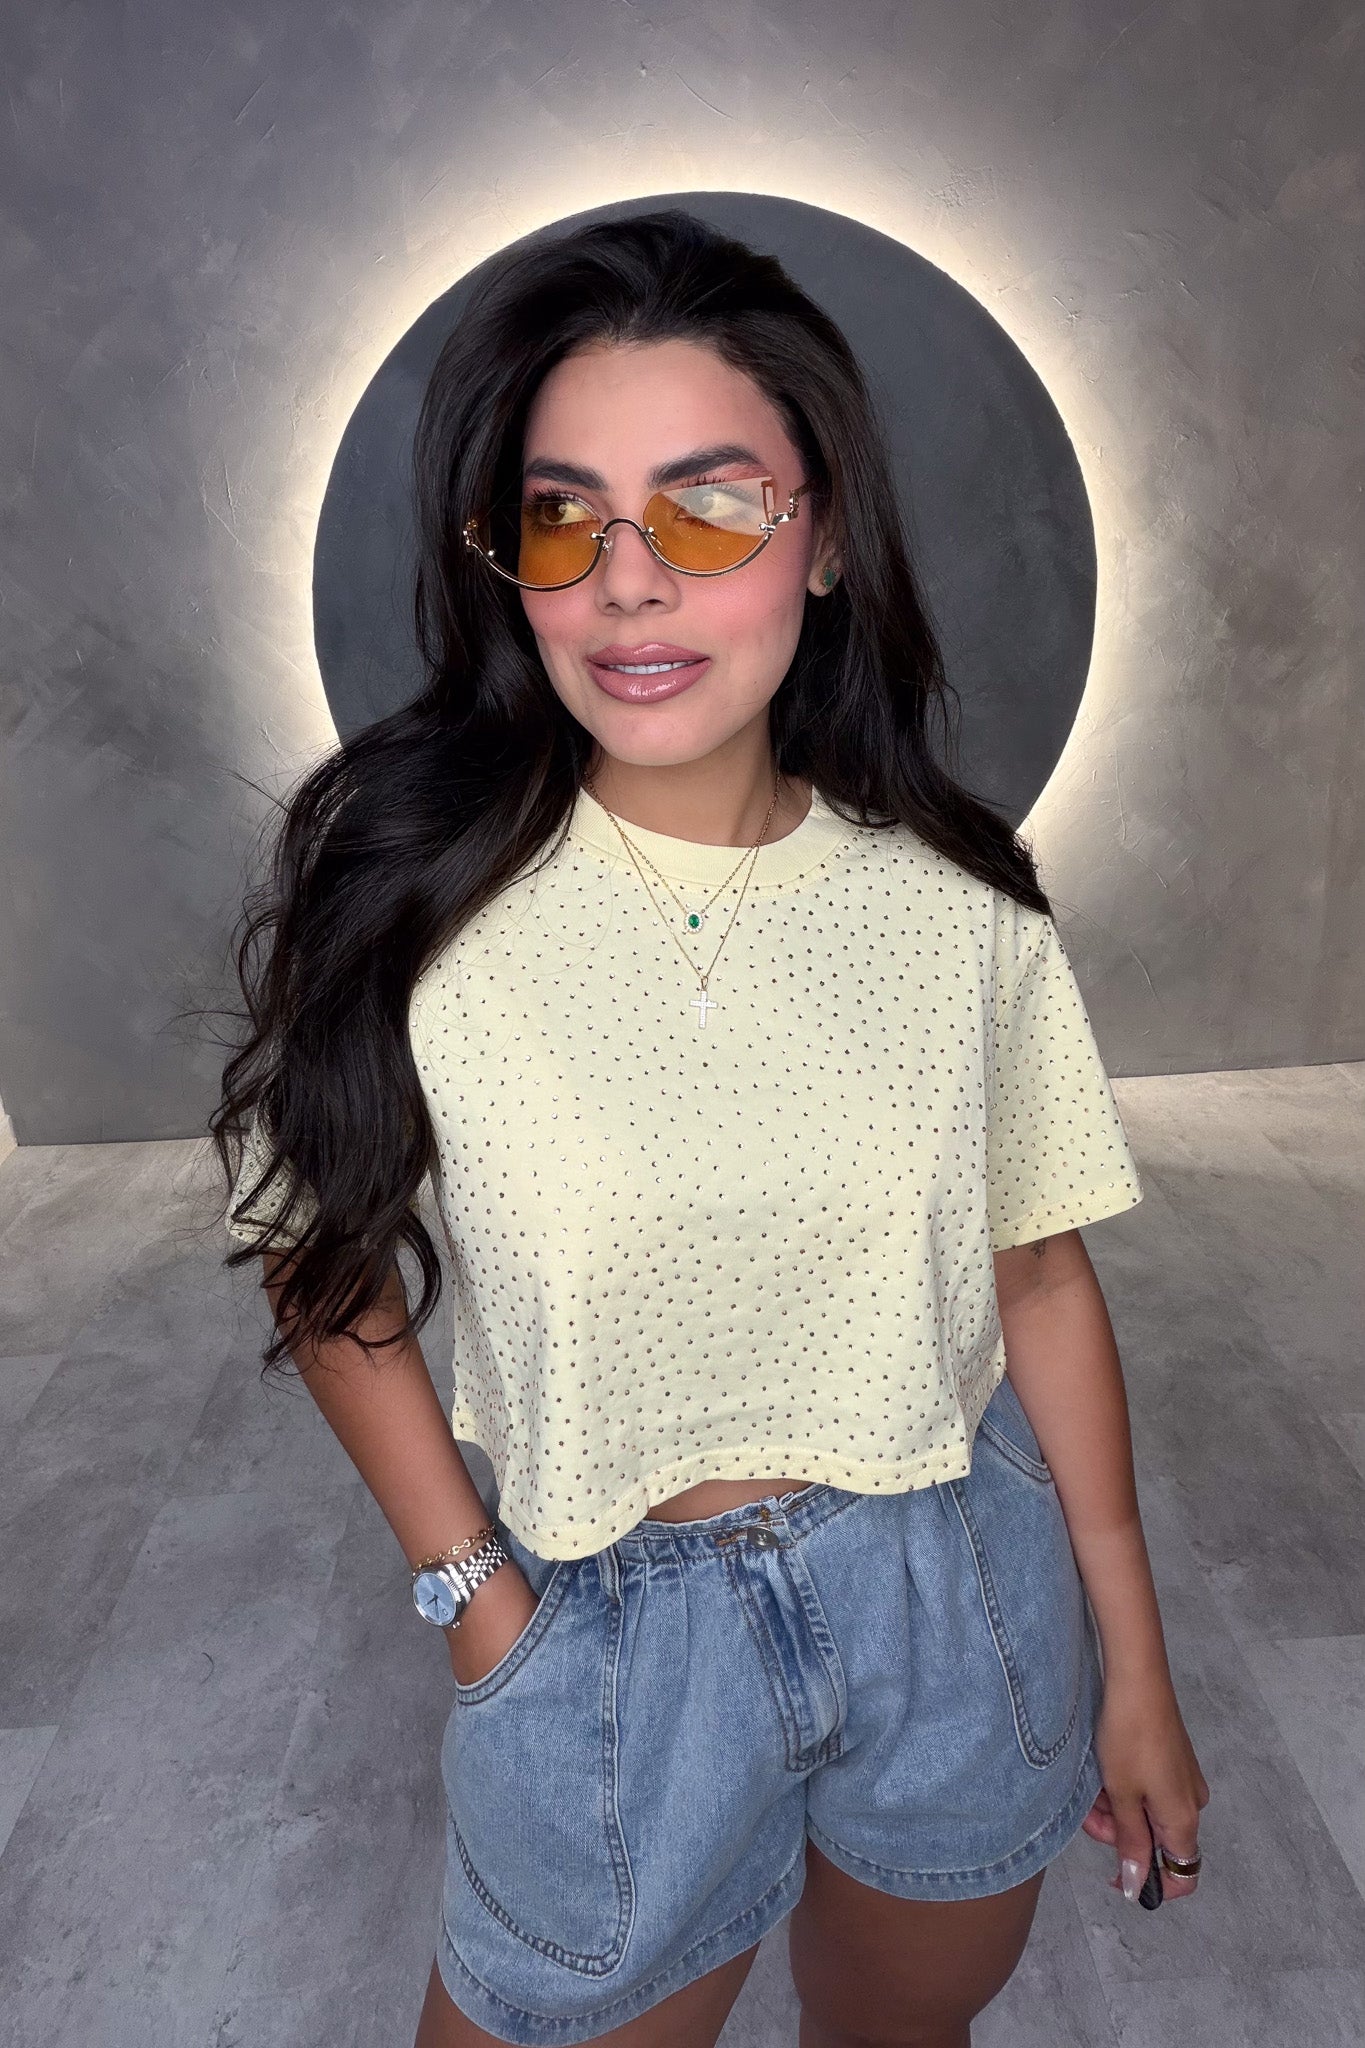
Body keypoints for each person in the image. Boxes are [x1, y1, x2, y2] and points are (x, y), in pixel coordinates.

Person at [213, 210, 1209, 2048]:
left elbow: (1039, 1278)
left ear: (820, 539)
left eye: (707, 511)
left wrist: (1133, 1668)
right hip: (605, 1638)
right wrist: (475, 1596)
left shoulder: (955, 905)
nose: (626, 585)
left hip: (955, 1601)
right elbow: (316, 1254)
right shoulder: (412, 892)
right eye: (562, 519)